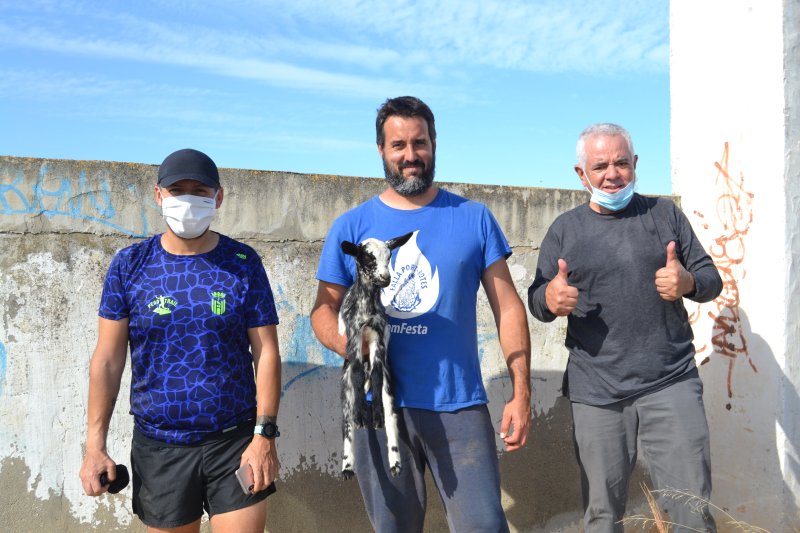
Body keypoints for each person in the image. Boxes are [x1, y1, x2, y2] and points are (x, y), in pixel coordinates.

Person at [311, 96, 531, 533]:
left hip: (458, 405)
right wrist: (354, 349)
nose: (410, 156)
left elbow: (508, 306)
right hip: (377, 407)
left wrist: (521, 391)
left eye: (419, 143)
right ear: (381, 149)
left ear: (434, 143)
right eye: (398, 145)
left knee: (484, 526)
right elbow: (324, 310)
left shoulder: (474, 218)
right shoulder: (352, 226)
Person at [528, 123, 721, 532]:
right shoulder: (564, 230)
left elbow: (710, 280)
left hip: (670, 380)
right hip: (596, 392)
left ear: (634, 165)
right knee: (602, 516)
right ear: (582, 174)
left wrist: (686, 282)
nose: (611, 174)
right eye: (600, 166)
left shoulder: (665, 215)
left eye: (620, 163)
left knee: (692, 510)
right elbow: (537, 299)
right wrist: (549, 299)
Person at [79, 148, 282, 533]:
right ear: (159, 195)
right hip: (161, 447)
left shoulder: (242, 263)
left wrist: (264, 437)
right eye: (177, 190)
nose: (188, 199)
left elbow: (266, 352)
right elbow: (107, 360)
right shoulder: (130, 266)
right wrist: (94, 446)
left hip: (235, 443)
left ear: (218, 197)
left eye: (200, 190)